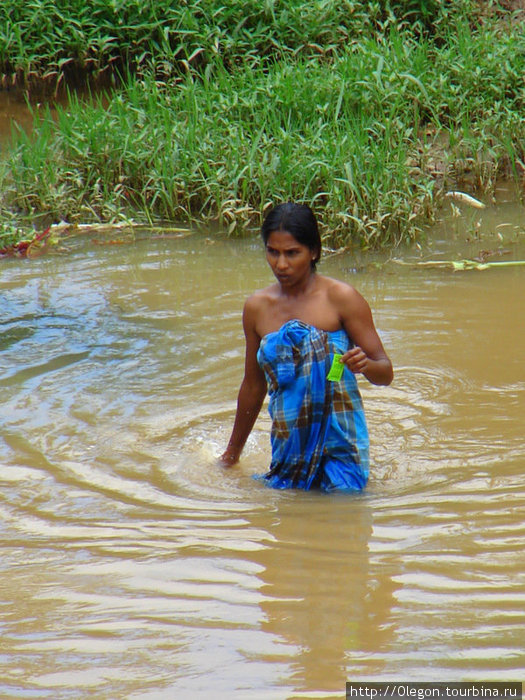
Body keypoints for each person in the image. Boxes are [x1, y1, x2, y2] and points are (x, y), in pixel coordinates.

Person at [219, 202, 393, 491]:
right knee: (288, 524)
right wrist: (231, 455)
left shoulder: (342, 298)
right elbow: (253, 386)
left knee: (344, 511)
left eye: (292, 253)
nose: (281, 264)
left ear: (313, 252)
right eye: (272, 252)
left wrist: (365, 365)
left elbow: (385, 373)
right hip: (289, 442)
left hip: (341, 442)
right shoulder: (257, 308)